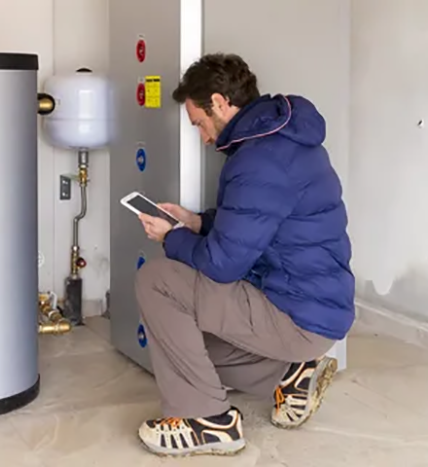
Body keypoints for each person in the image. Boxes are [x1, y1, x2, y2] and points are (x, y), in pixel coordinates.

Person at [134, 53, 355, 457]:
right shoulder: (279, 142)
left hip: (297, 314)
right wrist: (196, 222)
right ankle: (289, 373)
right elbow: (259, 225)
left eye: (199, 123)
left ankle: (208, 422)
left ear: (219, 103)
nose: (202, 137)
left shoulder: (259, 160)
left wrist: (171, 238)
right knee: (185, 352)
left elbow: (222, 265)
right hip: (312, 308)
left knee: (158, 280)